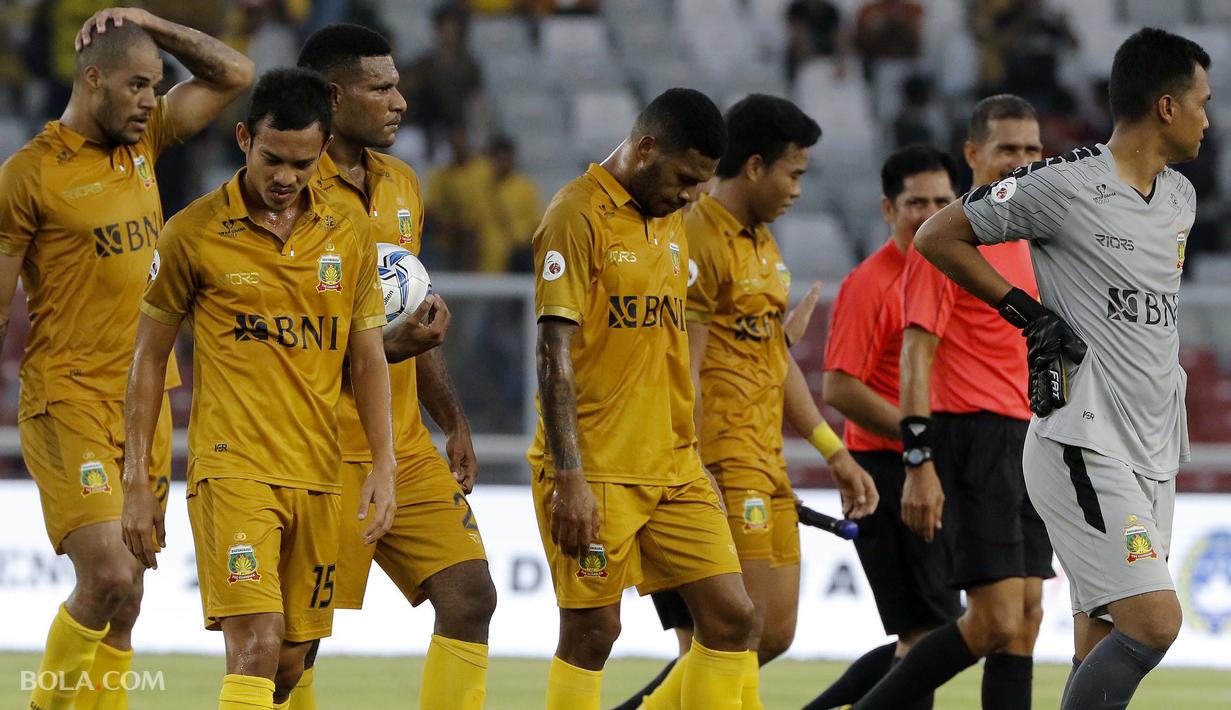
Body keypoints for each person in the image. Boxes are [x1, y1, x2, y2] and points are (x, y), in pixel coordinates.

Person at [913, 28, 1208, 710]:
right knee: (1155, 622)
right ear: (1166, 106)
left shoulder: (1180, 199)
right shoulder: (1064, 183)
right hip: (1085, 439)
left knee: (1100, 639)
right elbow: (936, 236)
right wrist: (1025, 312)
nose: (1208, 118)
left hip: (1154, 448)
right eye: (1202, 102)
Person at [121, 68, 397, 710]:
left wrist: (383, 464)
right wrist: (136, 478)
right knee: (257, 642)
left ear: (322, 150)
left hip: (319, 472)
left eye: (303, 164)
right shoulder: (192, 233)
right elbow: (148, 359)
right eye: (272, 158)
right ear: (244, 138)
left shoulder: (349, 231)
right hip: (232, 469)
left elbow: (367, 358)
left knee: (290, 663)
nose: (285, 177)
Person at [0, 8, 252, 709]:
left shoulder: (144, 140)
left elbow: (236, 74)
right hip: (68, 397)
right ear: (92, 79)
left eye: (156, 86)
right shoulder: (28, 176)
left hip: (143, 400)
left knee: (130, 594)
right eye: (137, 85)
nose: (150, 101)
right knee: (109, 573)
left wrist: (147, 21)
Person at [612, 94, 877, 710]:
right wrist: (691, 459)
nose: (798, 191)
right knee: (736, 632)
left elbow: (775, 362)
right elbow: (685, 364)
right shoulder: (698, 237)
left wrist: (833, 450)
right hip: (721, 458)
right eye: (794, 173)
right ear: (755, 166)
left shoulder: (764, 248)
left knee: (773, 632)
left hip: (767, 459)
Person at [530, 88, 758, 710]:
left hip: (674, 465)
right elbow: (553, 352)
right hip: (598, 466)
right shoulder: (576, 215)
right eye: (685, 179)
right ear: (647, 147)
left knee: (733, 618)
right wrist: (569, 476)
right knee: (593, 632)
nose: (692, 196)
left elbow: (665, 347)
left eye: (702, 184)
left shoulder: (670, 218)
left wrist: (694, 455)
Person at [295, 23, 496, 710]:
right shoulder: (290, 189)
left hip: (402, 445)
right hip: (317, 448)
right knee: (293, 647)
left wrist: (452, 419)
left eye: (397, 86)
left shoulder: (403, 184)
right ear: (332, 95)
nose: (400, 101)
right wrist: (381, 349)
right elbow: (281, 334)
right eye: (380, 88)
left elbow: (412, 316)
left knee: (470, 596)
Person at [853, 94, 1050, 710]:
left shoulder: (1032, 239)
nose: (1022, 160)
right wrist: (918, 460)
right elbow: (916, 356)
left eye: (1032, 148)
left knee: (1027, 618)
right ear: (972, 153)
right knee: (993, 620)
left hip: (1030, 440)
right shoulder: (947, 238)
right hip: (972, 437)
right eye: (1007, 148)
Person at [806, 145, 962, 710]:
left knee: (930, 631)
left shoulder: (950, 271)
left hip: (924, 466)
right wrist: (921, 439)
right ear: (888, 209)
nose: (929, 213)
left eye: (942, 201)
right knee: (930, 633)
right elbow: (840, 388)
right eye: (916, 202)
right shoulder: (871, 284)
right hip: (887, 471)